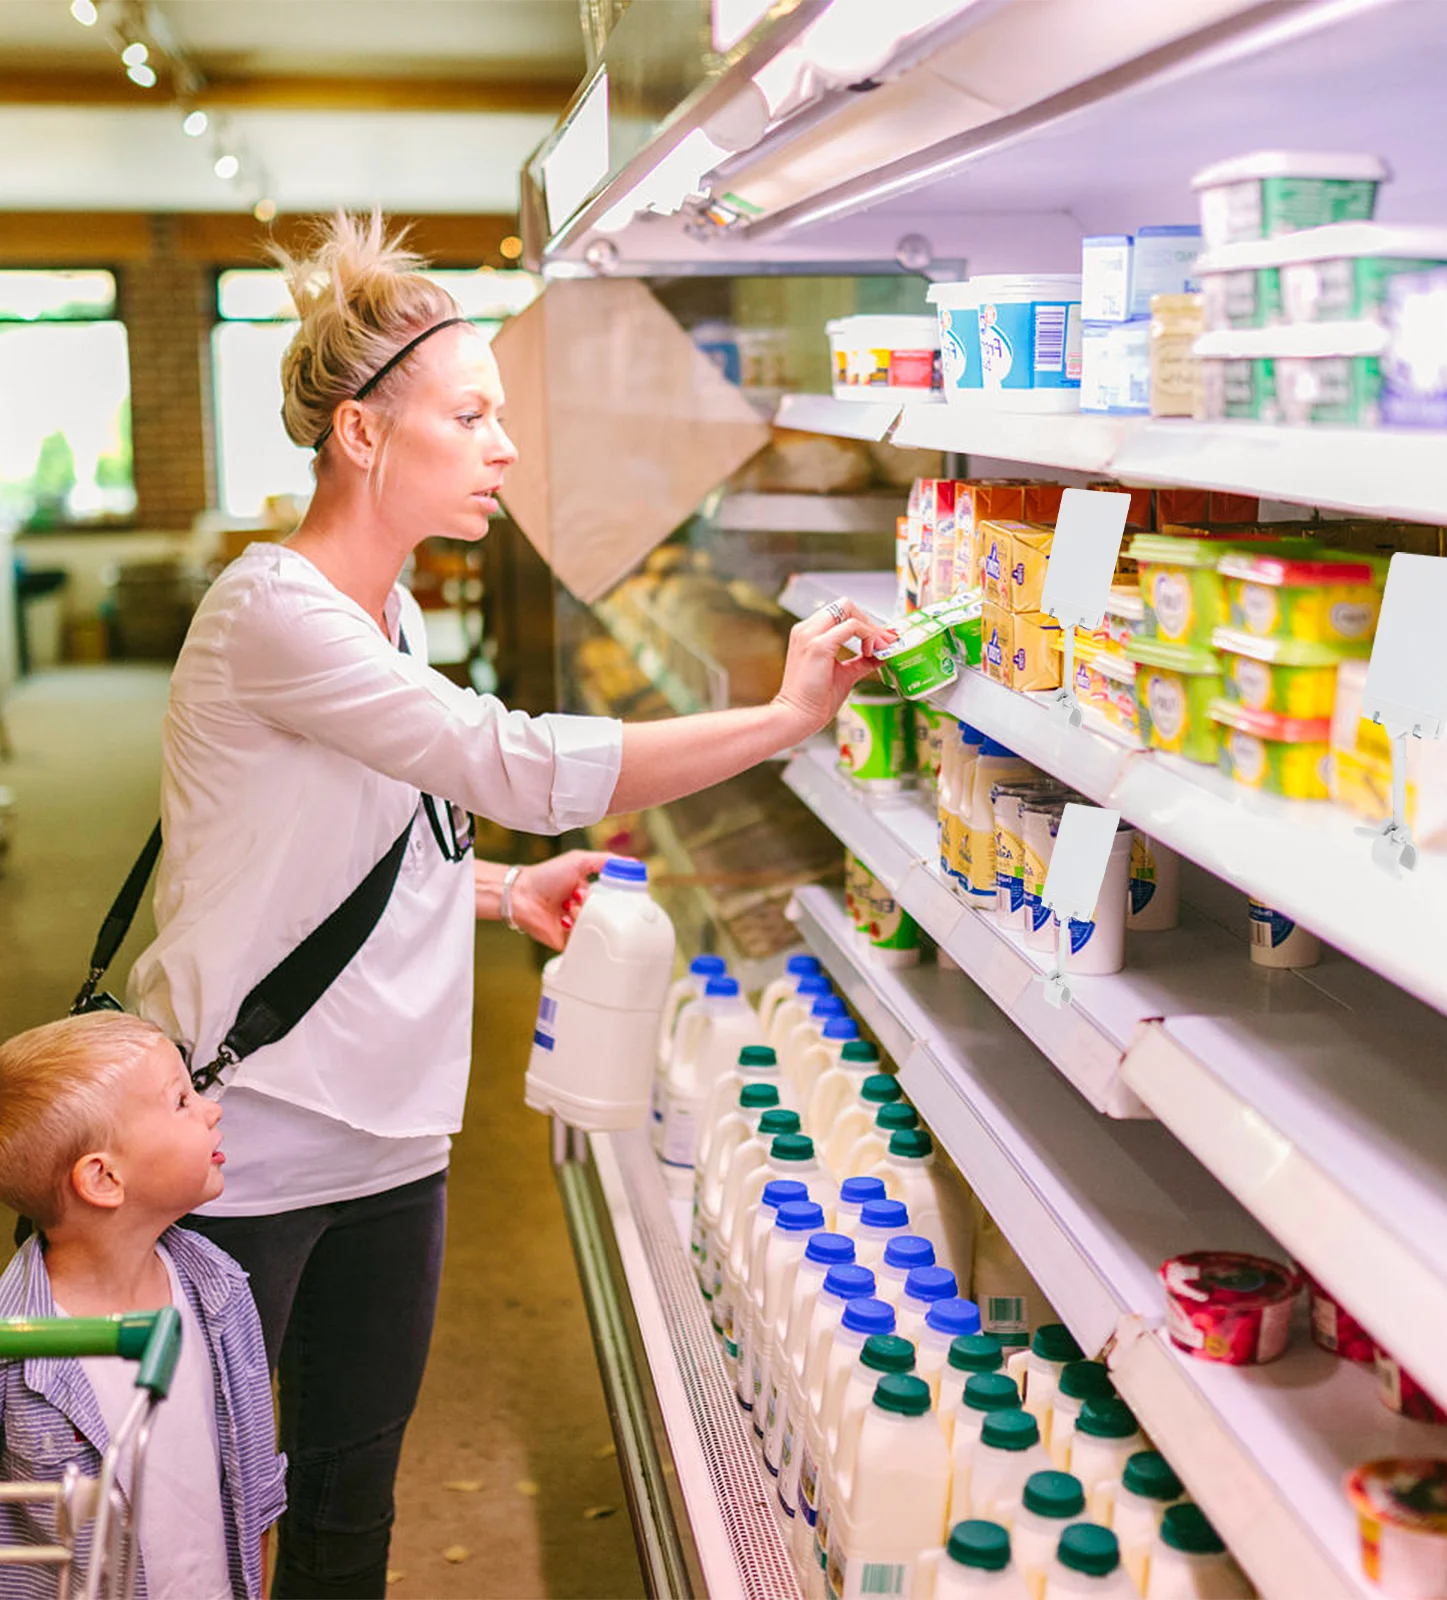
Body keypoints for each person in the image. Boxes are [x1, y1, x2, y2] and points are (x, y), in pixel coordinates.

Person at [122, 210, 891, 1599]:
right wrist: (780, 719)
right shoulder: (274, 615)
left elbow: (351, 847)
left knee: (352, 1498)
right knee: (203, 1519)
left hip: (396, 1134)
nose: (506, 447)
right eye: (470, 415)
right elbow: (514, 762)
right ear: (363, 434)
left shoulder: (393, 611)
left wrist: (498, 887)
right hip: (246, 1140)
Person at [0, 1012, 285, 1600]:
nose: (212, 1108)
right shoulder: (14, 1353)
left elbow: (254, 1496)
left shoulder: (222, 1293)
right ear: (103, 1178)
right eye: (181, 1100)